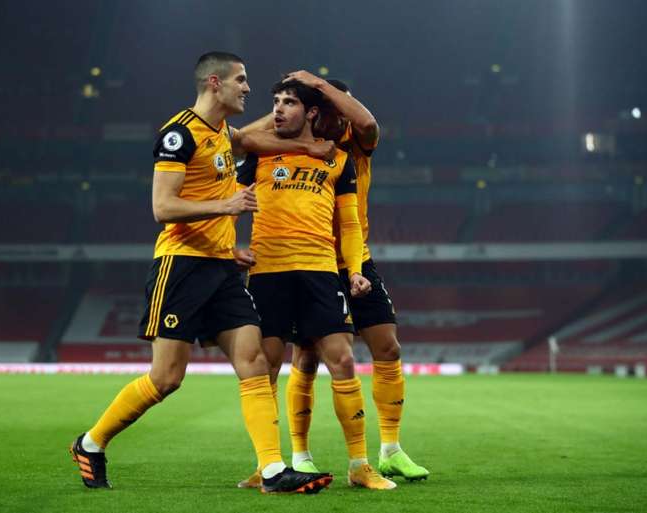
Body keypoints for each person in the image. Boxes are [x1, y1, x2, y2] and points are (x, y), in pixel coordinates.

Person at [69, 52, 332, 495]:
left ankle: (272, 471)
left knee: (255, 362)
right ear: (216, 82)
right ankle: (91, 443)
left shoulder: (220, 134)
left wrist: (306, 141)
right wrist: (226, 207)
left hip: (223, 268)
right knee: (166, 379)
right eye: (242, 80)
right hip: (182, 266)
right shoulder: (179, 134)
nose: (249, 88)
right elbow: (162, 207)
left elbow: (254, 139)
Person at [235, 79, 396, 490]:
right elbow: (229, 198)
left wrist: (356, 267)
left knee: (341, 360)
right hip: (268, 272)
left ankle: (359, 464)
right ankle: (268, 464)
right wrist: (228, 247)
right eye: (275, 102)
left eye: (289, 102)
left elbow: (348, 222)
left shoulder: (337, 159)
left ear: (310, 112)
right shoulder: (259, 154)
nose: (278, 109)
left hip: (321, 270)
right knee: (266, 367)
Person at [282, 70, 430, 482]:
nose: (342, 117)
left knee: (389, 348)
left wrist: (324, 84)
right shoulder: (293, 146)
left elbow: (367, 123)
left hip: (357, 260)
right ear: (316, 112)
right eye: (332, 109)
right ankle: (300, 454)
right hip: (311, 262)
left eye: (343, 107)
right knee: (307, 357)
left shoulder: (357, 146)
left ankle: (391, 449)